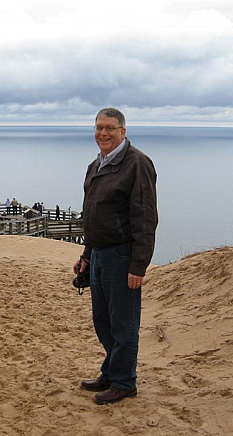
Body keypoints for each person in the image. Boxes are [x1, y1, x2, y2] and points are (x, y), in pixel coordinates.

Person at [73, 107, 158, 405]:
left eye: (109, 128)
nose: (103, 133)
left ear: (123, 131)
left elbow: (145, 218)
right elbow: (93, 216)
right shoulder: (95, 165)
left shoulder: (137, 164)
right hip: (98, 256)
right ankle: (111, 372)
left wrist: (139, 265)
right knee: (103, 322)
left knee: (123, 324)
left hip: (122, 256)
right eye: (98, 127)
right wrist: (87, 253)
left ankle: (124, 381)